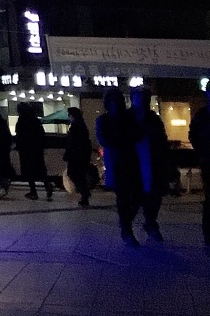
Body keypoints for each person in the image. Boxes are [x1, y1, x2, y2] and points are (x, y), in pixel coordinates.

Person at [96, 88, 144, 243]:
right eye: (113, 101)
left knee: (137, 196)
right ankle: (126, 230)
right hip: (117, 162)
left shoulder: (128, 117)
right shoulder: (103, 120)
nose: (116, 104)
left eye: (118, 101)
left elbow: (137, 135)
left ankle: (126, 224)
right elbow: (104, 139)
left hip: (131, 161)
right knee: (123, 196)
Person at [130, 87, 171, 243]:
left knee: (153, 196)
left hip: (153, 164)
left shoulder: (153, 119)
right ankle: (127, 228)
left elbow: (162, 141)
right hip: (133, 164)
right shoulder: (128, 118)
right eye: (139, 97)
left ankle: (150, 223)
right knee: (134, 198)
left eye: (145, 98)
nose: (142, 101)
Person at [15, 103, 52, 201]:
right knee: (40, 169)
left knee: (29, 171)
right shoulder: (35, 120)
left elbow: (19, 134)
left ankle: (33, 191)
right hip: (37, 149)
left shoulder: (21, 120)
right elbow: (42, 134)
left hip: (26, 150)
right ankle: (47, 184)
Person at [63, 107, 95, 208]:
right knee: (78, 175)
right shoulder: (81, 125)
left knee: (74, 174)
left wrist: (68, 153)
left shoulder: (76, 127)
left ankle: (84, 193)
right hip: (82, 155)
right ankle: (84, 194)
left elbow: (73, 142)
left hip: (76, 156)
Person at [188, 98, 210, 248]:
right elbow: (193, 136)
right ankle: (208, 234)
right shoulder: (202, 115)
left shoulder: (202, 115)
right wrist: (203, 152)